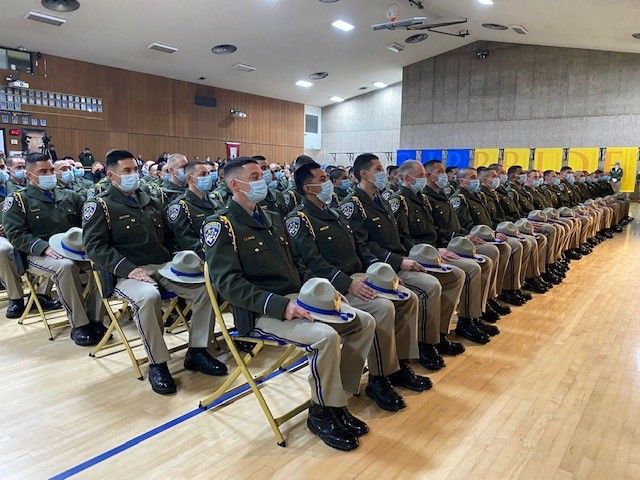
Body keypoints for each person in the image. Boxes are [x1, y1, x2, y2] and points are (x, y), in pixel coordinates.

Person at [203, 157, 375, 451]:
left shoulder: (272, 218)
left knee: (363, 322)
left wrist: (323, 290)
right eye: (255, 176)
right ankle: (321, 413)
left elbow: (297, 264)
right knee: (325, 337)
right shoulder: (222, 225)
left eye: (261, 175)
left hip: (298, 298)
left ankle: (336, 401)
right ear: (235, 185)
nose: (263, 180)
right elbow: (228, 284)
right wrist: (279, 305)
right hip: (261, 310)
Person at [83, 149, 227, 395]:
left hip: (162, 267)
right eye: (126, 171)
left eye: (135, 170)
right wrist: (129, 270)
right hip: (125, 273)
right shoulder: (101, 205)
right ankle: (158, 364)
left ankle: (197, 351)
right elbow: (94, 247)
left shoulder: (150, 200)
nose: (133, 175)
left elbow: (169, 238)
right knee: (149, 297)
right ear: (110, 175)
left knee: (206, 289)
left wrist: (179, 261)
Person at [287, 161, 428, 412]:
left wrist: (379, 271)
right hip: (330, 285)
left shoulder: (334, 212)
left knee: (407, 297)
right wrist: (346, 284)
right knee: (382, 308)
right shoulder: (300, 218)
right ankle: (378, 378)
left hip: (358, 274)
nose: (329, 182)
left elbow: (360, 247)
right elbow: (312, 263)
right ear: (308, 188)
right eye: (322, 179)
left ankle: (398, 364)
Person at [339, 153, 465, 367]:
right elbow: (362, 244)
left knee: (454, 275)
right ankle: (419, 348)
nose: (384, 173)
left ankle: (436, 336)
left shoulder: (379, 199)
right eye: (378, 169)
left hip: (399, 258)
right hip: (380, 266)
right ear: (364, 174)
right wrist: (396, 262)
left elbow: (400, 235)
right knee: (429, 286)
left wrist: (421, 253)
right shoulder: (353, 203)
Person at [3, 152, 103, 345]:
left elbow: (86, 223)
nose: (49, 174)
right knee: (65, 267)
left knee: (104, 264)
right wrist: (43, 248)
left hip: (72, 249)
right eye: (43, 171)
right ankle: (80, 324)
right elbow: (15, 234)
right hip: (36, 254)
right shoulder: (18, 200)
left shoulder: (69, 196)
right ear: (30, 174)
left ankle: (95, 318)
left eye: (50, 170)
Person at [392, 161, 497, 334]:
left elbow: (434, 229)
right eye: (421, 175)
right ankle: (440, 331)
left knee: (478, 264)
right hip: (420, 254)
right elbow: (403, 237)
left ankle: (468, 318)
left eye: (425, 174)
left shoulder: (422, 198)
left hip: (435, 249)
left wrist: (449, 242)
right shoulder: (400, 201)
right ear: (406, 178)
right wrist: (433, 251)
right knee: (467, 269)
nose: (425, 178)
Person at [422, 160, 512, 323]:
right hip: (445, 244)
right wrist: (461, 236)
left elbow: (455, 223)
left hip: (457, 239)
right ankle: (469, 317)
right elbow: (434, 230)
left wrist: (467, 235)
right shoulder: (429, 198)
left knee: (495, 251)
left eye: (444, 171)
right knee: (482, 260)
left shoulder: (442, 195)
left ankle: (487, 300)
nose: (444, 175)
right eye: (440, 171)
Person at [450, 168, 529, 306]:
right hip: (470, 238)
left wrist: (494, 232)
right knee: (499, 250)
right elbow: (464, 225)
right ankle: (486, 299)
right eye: (473, 177)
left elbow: (490, 220)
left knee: (515, 244)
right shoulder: (459, 198)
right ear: (462, 181)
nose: (476, 180)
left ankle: (497, 293)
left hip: (486, 234)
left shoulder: (477, 196)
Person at [165, 161, 217, 256]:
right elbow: (188, 242)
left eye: (208, 173)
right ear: (190, 178)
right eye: (203, 174)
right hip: (198, 259)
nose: (208, 177)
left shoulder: (215, 200)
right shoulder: (181, 206)